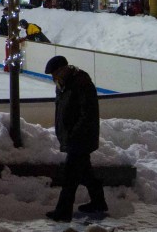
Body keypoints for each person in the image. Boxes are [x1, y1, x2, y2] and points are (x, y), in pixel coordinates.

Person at [44, 55, 107, 221]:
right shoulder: (63, 85)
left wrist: (74, 134)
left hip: (80, 138)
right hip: (73, 137)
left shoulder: (81, 83)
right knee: (85, 173)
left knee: (70, 177)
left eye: (54, 73)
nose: (53, 78)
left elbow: (87, 113)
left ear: (63, 69)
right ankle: (99, 202)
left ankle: (63, 212)